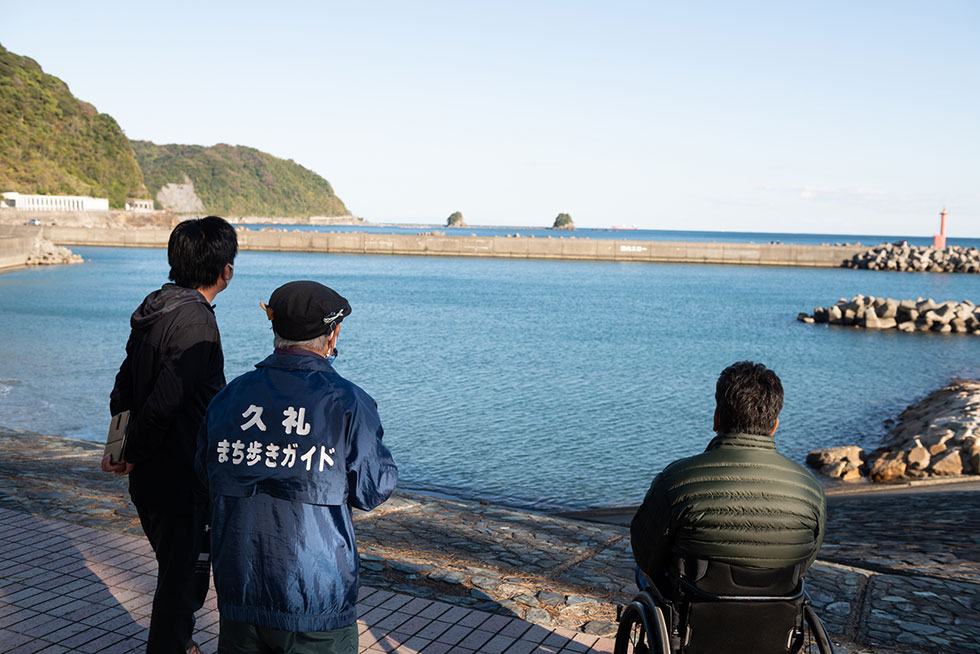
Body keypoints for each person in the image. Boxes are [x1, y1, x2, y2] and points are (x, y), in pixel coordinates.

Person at [197, 280, 398, 654]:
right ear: (332, 334)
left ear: (275, 329)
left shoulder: (228, 398)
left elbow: (204, 473)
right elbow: (373, 488)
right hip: (315, 593)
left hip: (240, 584)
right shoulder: (349, 403)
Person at [104, 215, 238, 654]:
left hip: (149, 476)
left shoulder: (154, 308)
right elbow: (166, 402)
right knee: (184, 582)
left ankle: (179, 644)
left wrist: (120, 448)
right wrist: (134, 452)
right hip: (181, 474)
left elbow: (123, 386)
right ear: (225, 270)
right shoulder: (197, 322)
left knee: (174, 570)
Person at [630, 361, 826, 589]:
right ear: (774, 426)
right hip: (777, 612)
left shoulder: (676, 481)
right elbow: (807, 559)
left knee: (644, 573)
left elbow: (646, 554)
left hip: (696, 610)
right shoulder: (810, 489)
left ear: (716, 419)